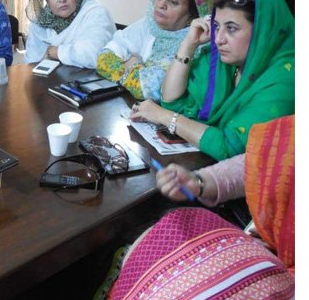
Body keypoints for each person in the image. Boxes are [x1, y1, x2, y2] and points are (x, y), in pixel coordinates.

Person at [106, 115, 294, 299]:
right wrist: (198, 181)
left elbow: (228, 144)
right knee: (165, 231)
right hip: (268, 242)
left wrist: (166, 116)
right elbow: (261, 162)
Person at [130, 0, 294, 161]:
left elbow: (231, 147)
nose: (219, 39)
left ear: (263, 31)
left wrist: (165, 117)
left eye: (231, 28)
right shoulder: (224, 62)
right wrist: (189, 44)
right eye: (216, 27)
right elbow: (172, 100)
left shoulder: (286, 79)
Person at [96, 0, 212, 101]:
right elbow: (104, 59)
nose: (161, 4)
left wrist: (134, 63)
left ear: (192, 14)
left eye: (173, 1)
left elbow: (149, 89)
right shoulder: (149, 24)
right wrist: (137, 74)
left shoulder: (197, 43)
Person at [24, 0, 115, 68]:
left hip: (90, 80)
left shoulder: (95, 13)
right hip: (48, 82)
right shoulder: (40, 23)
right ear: (46, 0)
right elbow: (31, 65)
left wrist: (54, 51)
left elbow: (94, 54)